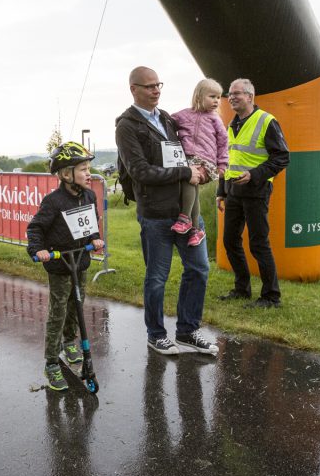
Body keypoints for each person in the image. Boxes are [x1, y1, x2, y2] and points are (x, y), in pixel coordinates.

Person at [115, 66, 219, 356]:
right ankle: (156, 334)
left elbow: (184, 154)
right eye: (148, 86)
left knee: (199, 269)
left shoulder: (166, 118)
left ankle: (187, 331)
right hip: (156, 215)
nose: (156, 90)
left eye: (158, 84)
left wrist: (200, 170)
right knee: (157, 278)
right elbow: (140, 171)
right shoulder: (127, 126)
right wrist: (185, 173)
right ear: (133, 89)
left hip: (186, 212)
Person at [26, 142, 105, 391]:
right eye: (82, 169)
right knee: (58, 309)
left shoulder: (89, 196)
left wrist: (94, 238)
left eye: (88, 168)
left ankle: (70, 341)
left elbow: (90, 224)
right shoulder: (53, 202)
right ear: (65, 174)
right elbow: (35, 228)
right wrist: (38, 249)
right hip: (60, 263)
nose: (88, 173)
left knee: (77, 302)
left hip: (80, 260)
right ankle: (51, 361)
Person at [216, 78, 290, 308]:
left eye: (237, 93)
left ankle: (271, 297)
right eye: (230, 94)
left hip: (256, 191)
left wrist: (255, 175)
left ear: (250, 96)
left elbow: (282, 157)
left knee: (258, 244)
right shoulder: (232, 124)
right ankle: (242, 289)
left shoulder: (266, 121)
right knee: (230, 241)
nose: (232, 97)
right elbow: (227, 160)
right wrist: (221, 191)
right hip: (233, 192)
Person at [171, 78, 229, 247]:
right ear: (199, 97)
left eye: (218, 97)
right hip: (188, 159)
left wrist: (222, 165)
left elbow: (223, 142)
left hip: (207, 162)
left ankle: (184, 218)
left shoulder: (215, 119)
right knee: (192, 187)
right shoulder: (184, 115)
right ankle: (196, 230)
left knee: (190, 179)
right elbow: (168, 120)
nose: (216, 101)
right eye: (212, 96)